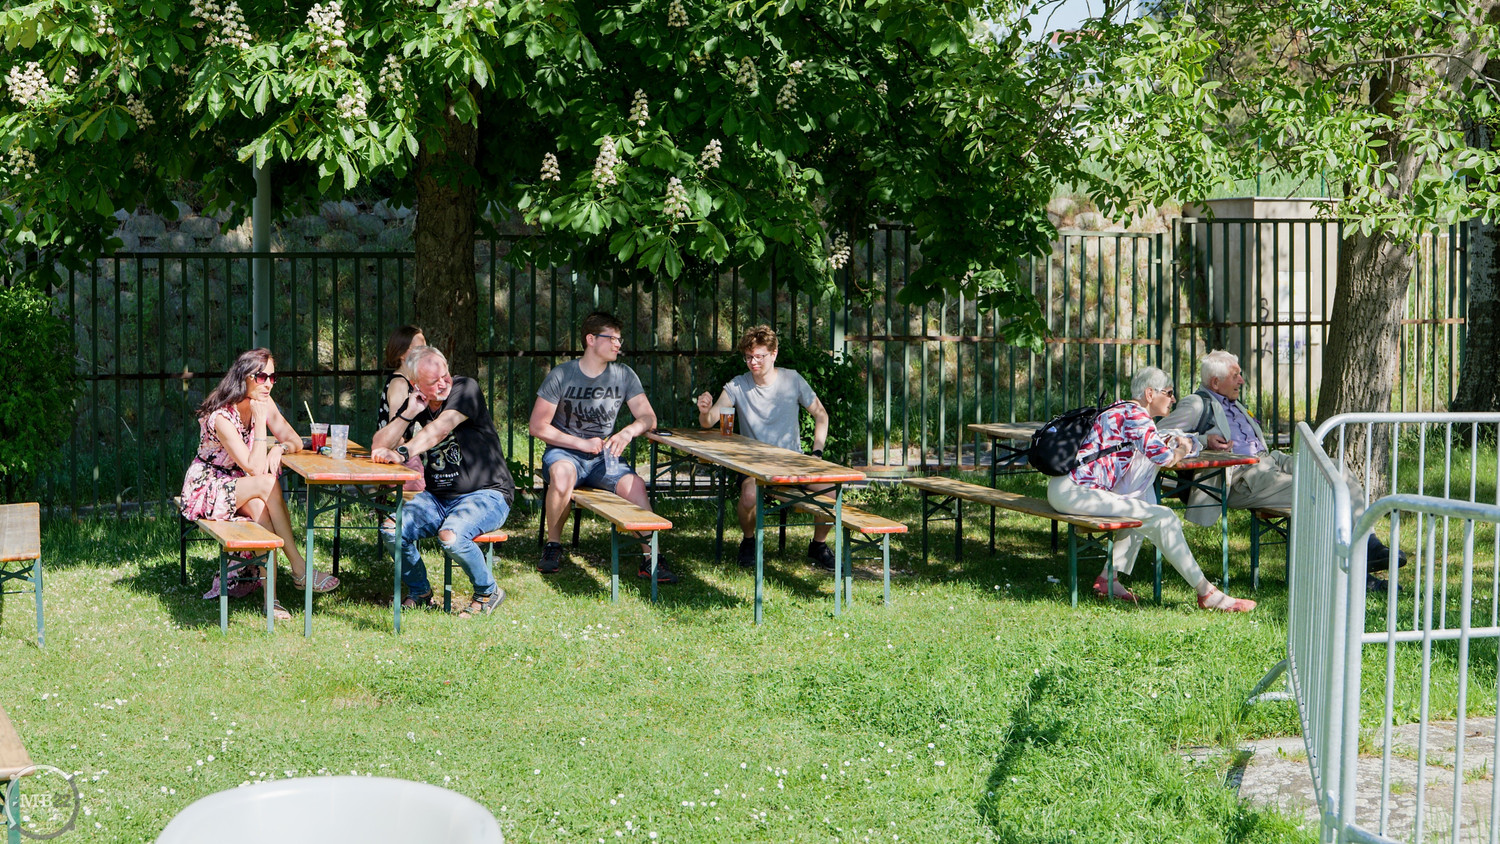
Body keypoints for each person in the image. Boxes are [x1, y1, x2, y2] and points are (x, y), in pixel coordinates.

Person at [1157, 349, 1403, 575]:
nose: (1241, 380)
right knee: (1319, 493)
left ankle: (1369, 545)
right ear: (1215, 382)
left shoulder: (1232, 401)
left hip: (1270, 460)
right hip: (1242, 477)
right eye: (1235, 376)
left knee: (1339, 471)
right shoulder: (1196, 403)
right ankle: (1352, 573)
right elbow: (1160, 436)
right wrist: (1203, 440)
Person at [1047, 366, 1256, 611]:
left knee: (1143, 507)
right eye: (1169, 393)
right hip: (1076, 493)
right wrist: (1184, 447)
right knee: (1164, 517)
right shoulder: (1137, 416)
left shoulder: (1120, 408)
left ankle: (1108, 579)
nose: (1173, 399)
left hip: (1066, 487)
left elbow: (1148, 446)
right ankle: (1207, 593)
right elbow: (1166, 458)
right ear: (1150, 394)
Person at [179, 348, 338, 620]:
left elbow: (294, 440)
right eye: (261, 377)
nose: (268, 384)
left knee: (261, 510)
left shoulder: (263, 401)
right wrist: (261, 422)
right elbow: (253, 467)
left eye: (272, 378)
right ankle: (300, 569)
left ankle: (271, 601)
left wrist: (279, 449)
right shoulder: (222, 417)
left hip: (240, 483)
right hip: (208, 485)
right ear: (244, 377)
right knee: (266, 483)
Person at [528, 311, 675, 583]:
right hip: (565, 453)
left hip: (603, 458)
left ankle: (651, 558)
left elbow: (648, 417)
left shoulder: (623, 375)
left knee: (636, 485)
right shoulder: (563, 375)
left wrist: (628, 432)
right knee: (562, 474)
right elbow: (537, 426)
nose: (618, 344)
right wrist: (580, 442)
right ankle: (553, 546)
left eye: (620, 339)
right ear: (591, 339)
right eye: (612, 339)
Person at [371, 346, 514, 616]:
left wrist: (402, 452)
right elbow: (379, 444)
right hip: (438, 497)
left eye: (445, 375)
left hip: (487, 493)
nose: (443, 383)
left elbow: (440, 428)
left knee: (452, 536)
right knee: (392, 529)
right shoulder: (418, 402)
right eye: (433, 381)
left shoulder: (465, 388)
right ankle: (420, 592)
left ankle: (488, 591)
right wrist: (408, 412)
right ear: (416, 384)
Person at [695, 325, 836, 569]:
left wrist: (817, 454)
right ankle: (749, 541)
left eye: (759, 356)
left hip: (793, 463)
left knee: (831, 490)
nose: (753, 362)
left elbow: (821, 415)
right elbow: (709, 422)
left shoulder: (792, 379)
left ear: (774, 354)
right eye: (748, 357)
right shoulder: (738, 385)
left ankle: (818, 545)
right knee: (750, 494)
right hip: (753, 466)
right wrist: (705, 411)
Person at [374, 324, 427, 493]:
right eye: (419, 348)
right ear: (402, 354)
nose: (425, 353)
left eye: (426, 347)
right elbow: (396, 434)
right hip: (402, 466)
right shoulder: (399, 383)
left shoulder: (410, 381)